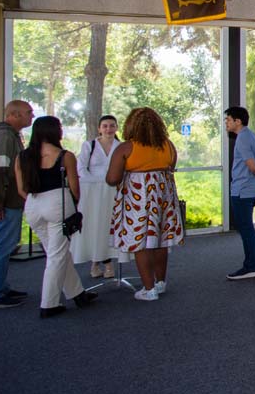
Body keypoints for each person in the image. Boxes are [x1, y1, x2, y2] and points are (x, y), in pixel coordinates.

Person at [15, 116, 96, 318]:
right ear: (54, 131)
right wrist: (73, 207)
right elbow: (75, 189)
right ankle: (49, 303)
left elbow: (21, 189)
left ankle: (78, 294)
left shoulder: (22, 157)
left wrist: (36, 201)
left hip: (33, 205)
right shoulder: (65, 156)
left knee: (57, 252)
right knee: (56, 255)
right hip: (57, 203)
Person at [106, 107, 184, 301]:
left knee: (140, 243)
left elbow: (112, 178)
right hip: (163, 199)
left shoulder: (126, 147)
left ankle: (148, 289)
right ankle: (160, 282)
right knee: (161, 241)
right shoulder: (168, 145)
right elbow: (171, 167)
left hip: (137, 200)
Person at [0, 99, 34, 310]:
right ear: (14, 115)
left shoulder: (8, 134)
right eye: (28, 112)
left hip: (6, 199)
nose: (32, 116)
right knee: (1, 245)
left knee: (5, 244)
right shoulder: (5, 136)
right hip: (4, 201)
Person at [73, 114, 121, 278]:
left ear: (116, 128)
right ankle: (95, 262)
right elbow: (81, 169)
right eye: (105, 126)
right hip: (92, 193)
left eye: (112, 125)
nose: (108, 129)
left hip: (114, 192)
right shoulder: (89, 145)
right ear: (99, 128)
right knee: (94, 225)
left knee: (109, 225)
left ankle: (107, 262)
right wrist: (100, 181)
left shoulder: (121, 146)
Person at [223, 107, 255, 280]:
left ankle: (250, 267)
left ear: (238, 121)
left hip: (242, 190)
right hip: (251, 189)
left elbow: (254, 165)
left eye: (228, 119)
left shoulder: (242, 138)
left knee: (245, 228)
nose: (226, 123)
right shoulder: (252, 136)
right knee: (248, 227)